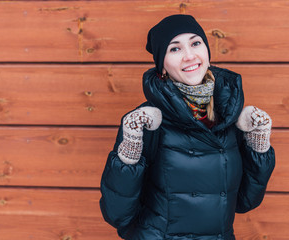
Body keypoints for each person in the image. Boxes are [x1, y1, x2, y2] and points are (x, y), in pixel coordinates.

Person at [99, 14, 275, 240]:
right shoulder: (145, 122)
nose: (189, 56)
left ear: (207, 53)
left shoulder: (229, 117)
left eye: (195, 43)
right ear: (162, 67)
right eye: (174, 49)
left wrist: (258, 145)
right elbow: (117, 214)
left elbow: (244, 202)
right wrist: (130, 150)